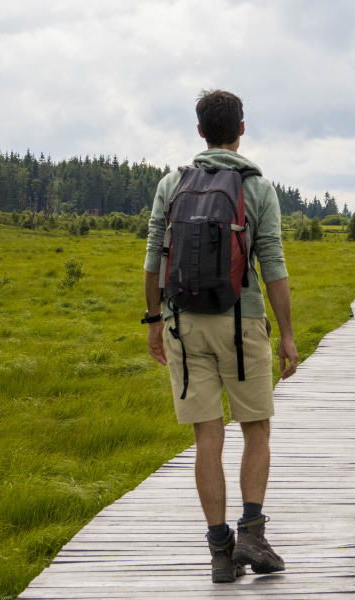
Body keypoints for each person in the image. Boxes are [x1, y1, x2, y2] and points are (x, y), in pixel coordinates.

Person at [143, 89, 298, 583]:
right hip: (241, 322)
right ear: (241, 129)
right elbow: (271, 263)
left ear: (200, 131)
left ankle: (219, 553)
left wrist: (154, 322)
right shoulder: (256, 187)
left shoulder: (171, 183)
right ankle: (252, 531)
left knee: (206, 436)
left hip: (182, 325)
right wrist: (288, 335)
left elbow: (153, 258)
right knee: (256, 427)